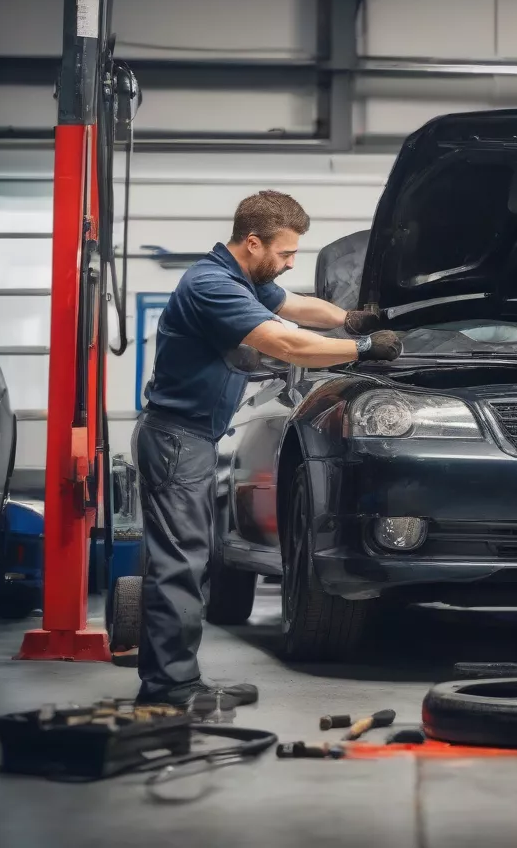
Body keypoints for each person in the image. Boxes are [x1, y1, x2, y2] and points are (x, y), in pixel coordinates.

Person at [132, 190, 402, 709]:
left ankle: (174, 679)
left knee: (186, 561)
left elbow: (297, 306)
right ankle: (170, 687)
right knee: (180, 564)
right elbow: (288, 343)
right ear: (253, 243)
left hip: (188, 438)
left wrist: (350, 319)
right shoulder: (213, 286)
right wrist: (364, 348)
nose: (290, 263)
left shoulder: (242, 279)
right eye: (285, 253)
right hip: (177, 440)